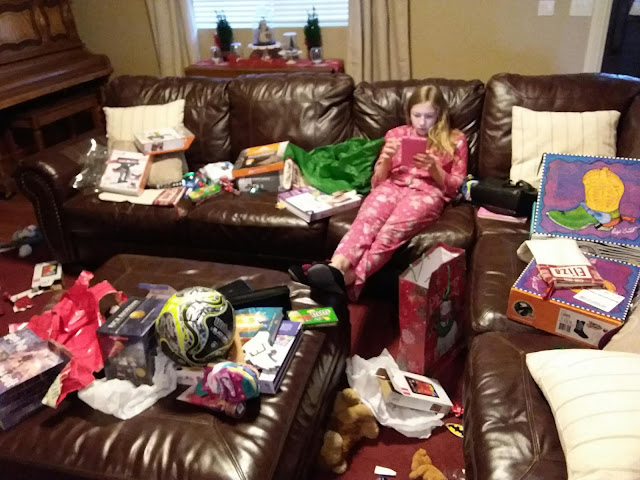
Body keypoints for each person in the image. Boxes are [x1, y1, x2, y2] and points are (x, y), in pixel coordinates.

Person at [299, 85, 468, 301]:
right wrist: (386, 160)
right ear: (409, 113)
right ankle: (337, 266)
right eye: (417, 115)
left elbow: (458, 187)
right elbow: (377, 182)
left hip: (426, 192)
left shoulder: (455, 140)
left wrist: (435, 169)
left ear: (440, 114)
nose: (422, 122)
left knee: (389, 233)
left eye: (429, 116)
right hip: (392, 185)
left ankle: (347, 278)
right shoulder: (396, 134)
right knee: (366, 222)